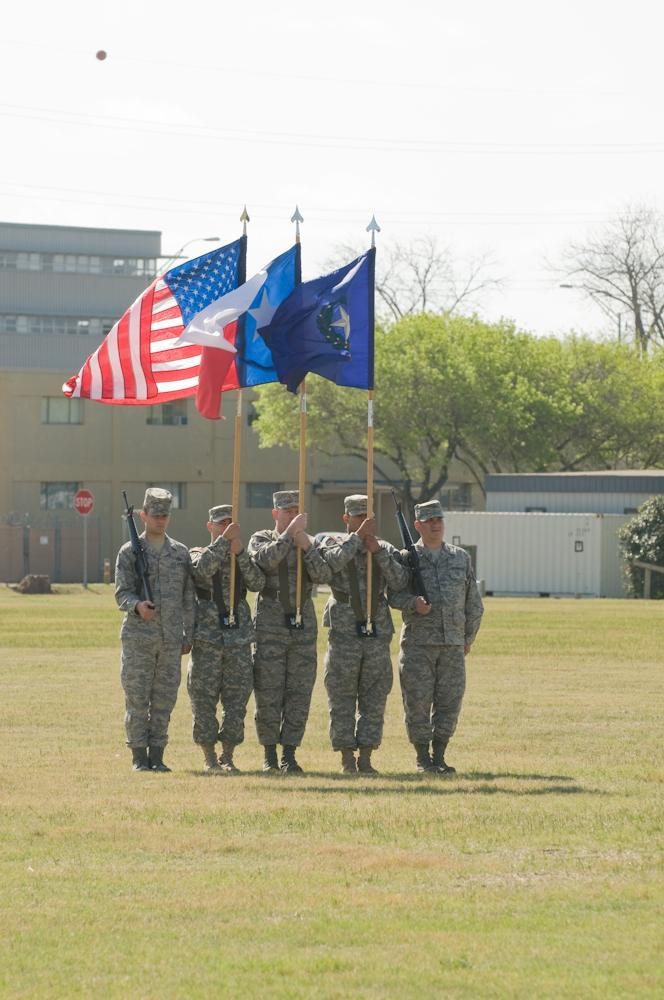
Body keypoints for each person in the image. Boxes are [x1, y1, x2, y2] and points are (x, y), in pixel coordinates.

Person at [389, 499, 484, 774]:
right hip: (418, 644)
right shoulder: (405, 558)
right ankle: (423, 758)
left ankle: (440, 755)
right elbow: (393, 595)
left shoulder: (459, 558)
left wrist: (468, 637)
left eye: (439, 520)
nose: (435, 525)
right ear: (417, 525)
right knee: (417, 703)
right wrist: (412, 604)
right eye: (429, 521)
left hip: (453, 645)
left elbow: (474, 603)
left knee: (450, 702)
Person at [318, 494, 410, 775]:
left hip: (376, 631)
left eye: (366, 517)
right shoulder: (334, 544)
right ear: (346, 518)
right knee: (342, 696)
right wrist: (357, 540)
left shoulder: (383, 547)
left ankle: (367, 756)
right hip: (345, 631)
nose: (363, 522)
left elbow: (400, 581)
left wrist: (378, 552)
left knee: (374, 696)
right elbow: (327, 568)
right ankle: (347, 757)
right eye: (356, 517)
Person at [247, 490, 331, 774]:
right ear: (275, 514)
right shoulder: (261, 538)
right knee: (269, 689)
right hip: (271, 622)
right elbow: (264, 562)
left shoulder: (309, 542)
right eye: (287, 511)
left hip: (302, 623)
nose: (292, 515)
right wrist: (288, 536)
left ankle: (290, 754)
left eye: (296, 510)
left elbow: (323, 576)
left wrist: (306, 546)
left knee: (299, 691)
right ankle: (269, 754)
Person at [115, 487, 195, 773]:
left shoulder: (180, 553)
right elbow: (121, 593)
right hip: (139, 638)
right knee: (137, 697)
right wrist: (137, 606)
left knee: (164, 699)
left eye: (165, 515)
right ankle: (139, 756)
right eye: (156, 515)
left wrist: (189, 634)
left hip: (171, 639)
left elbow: (188, 598)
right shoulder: (129, 552)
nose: (161, 520)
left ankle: (158, 755)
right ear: (143, 515)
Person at [187, 505, 265, 773]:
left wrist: (240, 553)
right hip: (208, 638)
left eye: (230, 523)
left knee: (236, 699)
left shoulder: (240, 556)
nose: (226, 527)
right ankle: (209, 756)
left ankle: (227, 755)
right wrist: (222, 543)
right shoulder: (199, 552)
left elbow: (257, 583)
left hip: (238, 637)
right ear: (210, 526)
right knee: (204, 699)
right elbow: (201, 571)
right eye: (221, 523)